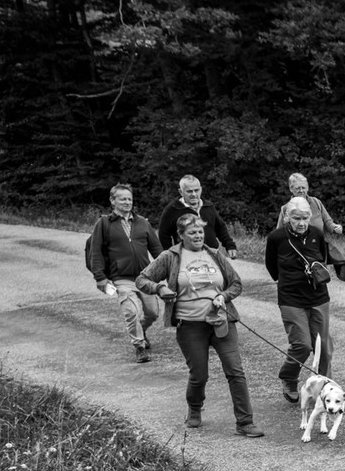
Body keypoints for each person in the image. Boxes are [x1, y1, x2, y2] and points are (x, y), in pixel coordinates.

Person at [136, 215, 264, 438]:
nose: (198, 236)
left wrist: (223, 296)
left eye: (200, 232)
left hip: (221, 321)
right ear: (181, 235)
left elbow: (236, 284)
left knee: (235, 371)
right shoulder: (170, 257)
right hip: (189, 325)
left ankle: (245, 422)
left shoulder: (215, 254)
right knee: (199, 375)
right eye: (192, 232)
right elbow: (141, 280)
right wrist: (159, 289)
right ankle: (195, 407)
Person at [264, 198, 338, 401]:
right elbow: (272, 268)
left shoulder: (316, 234)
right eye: (296, 218)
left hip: (318, 297)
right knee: (302, 345)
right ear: (287, 217)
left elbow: (321, 259)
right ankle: (289, 377)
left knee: (324, 348)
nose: (301, 222)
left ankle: (326, 389)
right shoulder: (276, 238)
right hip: (291, 299)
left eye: (305, 218)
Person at [86, 183, 164, 363]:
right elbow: (95, 252)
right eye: (123, 199)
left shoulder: (142, 222)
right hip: (121, 278)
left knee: (152, 313)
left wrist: (167, 270)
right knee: (132, 311)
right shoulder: (104, 223)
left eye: (129, 198)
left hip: (145, 277)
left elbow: (157, 250)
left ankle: (141, 331)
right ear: (113, 201)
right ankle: (139, 347)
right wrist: (100, 278)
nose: (127, 202)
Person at [157, 175, 238, 254]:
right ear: (181, 192)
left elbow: (220, 228)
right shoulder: (172, 209)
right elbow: (163, 234)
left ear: (201, 190)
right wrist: (171, 254)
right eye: (189, 191)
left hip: (211, 253)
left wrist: (230, 246)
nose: (194, 194)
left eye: (196, 190)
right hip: (185, 256)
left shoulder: (208, 206)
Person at [275, 173, 343, 235]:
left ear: (307, 187)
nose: (301, 191)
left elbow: (329, 223)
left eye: (303, 188)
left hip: (317, 245)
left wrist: (336, 228)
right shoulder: (285, 208)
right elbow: (278, 234)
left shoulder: (316, 202)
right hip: (296, 246)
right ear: (291, 189)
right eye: (298, 188)